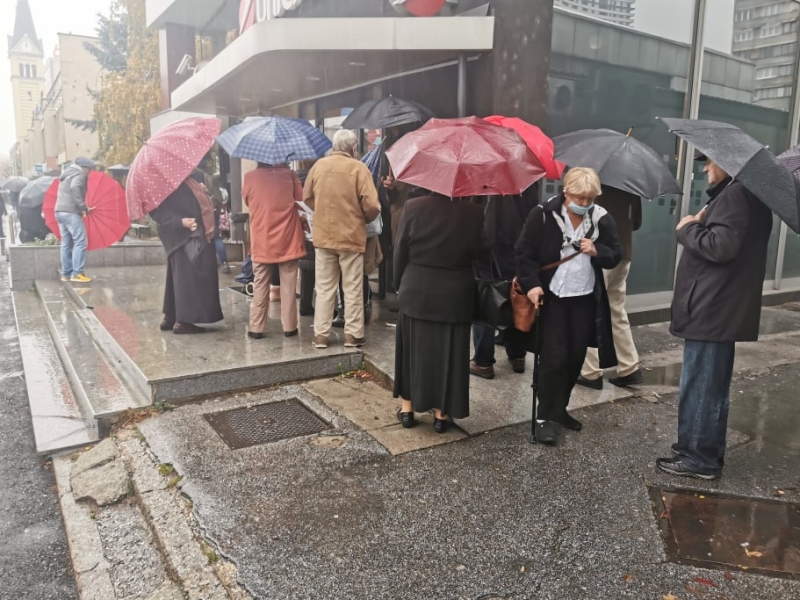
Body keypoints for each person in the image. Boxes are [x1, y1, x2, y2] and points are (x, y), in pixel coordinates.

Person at [656, 156, 773, 480]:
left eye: (709, 163)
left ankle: (699, 459)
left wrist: (688, 227)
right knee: (711, 387)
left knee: (702, 386)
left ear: (726, 162)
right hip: (720, 308)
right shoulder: (746, 194)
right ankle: (702, 448)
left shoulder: (736, 195)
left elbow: (721, 247)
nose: (705, 169)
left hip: (713, 308)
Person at [515, 167, 622, 445]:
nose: (585, 204)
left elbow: (616, 255)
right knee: (553, 357)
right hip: (552, 297)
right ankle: (544, 417)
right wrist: (532, 284)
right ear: (566, 191)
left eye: (590, 198)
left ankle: (559, 409)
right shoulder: (542, 215)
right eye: (580, 197)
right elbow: (523, 253)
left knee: (575, 357)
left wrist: (598, 251)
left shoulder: (601, 219)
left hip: (585, 298)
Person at [394, 192, 487, 433]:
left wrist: (399, 285)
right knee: (450, 354)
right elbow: (480, 252)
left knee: (412, 351)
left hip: (416, 289)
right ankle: (441, 415)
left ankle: (408, 409)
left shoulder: (412, 207)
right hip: (455, 294)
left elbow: (400, 250)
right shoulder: (474, 213)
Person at [303, 129, 381, 349]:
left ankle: (320, 335)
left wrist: (320, 212)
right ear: (353, 148)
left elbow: (307, 197)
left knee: (325, 288)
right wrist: (361, 217)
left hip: (324, 237)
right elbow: (373, 206)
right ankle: (353, 335)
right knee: (352, 287)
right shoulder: (359, 168)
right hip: (351, 236)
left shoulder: (318, 166)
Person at [470, 185, 540, 379]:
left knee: (486, 299)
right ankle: (517, 354)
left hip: (486, 250)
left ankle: (483, 361)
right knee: (516, 297)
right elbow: (532, 211)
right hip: (517, 246)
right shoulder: (523, 177)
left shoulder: (480, 176)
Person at [577, 185, 644, 389]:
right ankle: (629, 367)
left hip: (600, 253)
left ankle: (590, 372)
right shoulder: (631, 183)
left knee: (588, 309)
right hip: (624, 252)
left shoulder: (595, 184)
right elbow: (637, 223)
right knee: (616, 311)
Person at [149, 175, 223, 334]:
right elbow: (156, 211)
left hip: (186, 235)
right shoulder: (166, 183)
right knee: (188, 277)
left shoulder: (185, 181)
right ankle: (183, 321)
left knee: (178, 276)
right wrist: (181, 222)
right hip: (184, 235)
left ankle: (171, 316)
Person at [243, 162, 306, 339]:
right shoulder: (290, 176)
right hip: (288, 237)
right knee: (288, 286)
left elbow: (248, 201)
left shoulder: (249, 177)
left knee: (260, 284)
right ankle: (290, 327)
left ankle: (256, 328)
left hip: (262, 238)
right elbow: (300, 200)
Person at [55, 156, 95, 283]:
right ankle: (77, 273)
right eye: (90, 169)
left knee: (66, 243)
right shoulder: (79, 174)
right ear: (84, 167)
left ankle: (66, 273)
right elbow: (74, 188)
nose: (90, 172)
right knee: (81, 242)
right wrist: (83, 207)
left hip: (60, 211)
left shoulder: (67, 174)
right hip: (70, 212)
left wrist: (83, 208)